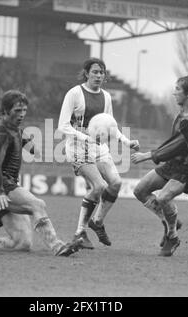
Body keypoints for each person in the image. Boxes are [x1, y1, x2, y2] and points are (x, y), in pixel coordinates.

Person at [0, 90, 83, 256]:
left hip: (5, 184)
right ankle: (57, 246)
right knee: (37, 204)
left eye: (24, 110)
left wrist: (36, 149)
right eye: (17, 111)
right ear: (5, 110)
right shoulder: (0, 131)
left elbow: (25, 141)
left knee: (21, 243)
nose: (22, 114)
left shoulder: (14, 128)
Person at [58, 58, 140, 248]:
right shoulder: (75, 94)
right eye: (95, 72)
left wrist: (127, 142)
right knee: (99, 186)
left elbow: (110, 126)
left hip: (98, 147)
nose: (98, 75)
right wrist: (86, 138)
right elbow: (63, 125)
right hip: (78, 147)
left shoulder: (106, 97)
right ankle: (79, 233)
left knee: (116, 183)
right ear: (86, 73)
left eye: (101, 72)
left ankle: (97, 222)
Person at [132, 76, 188, 256]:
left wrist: (147, 155)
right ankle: (169, 221)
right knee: (140, 190)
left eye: (178, 89)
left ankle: (172, 236)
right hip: (173, 164)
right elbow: (174, 143)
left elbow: (177, 145)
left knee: (163, 198)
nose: (174, 93)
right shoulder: (183, 114)